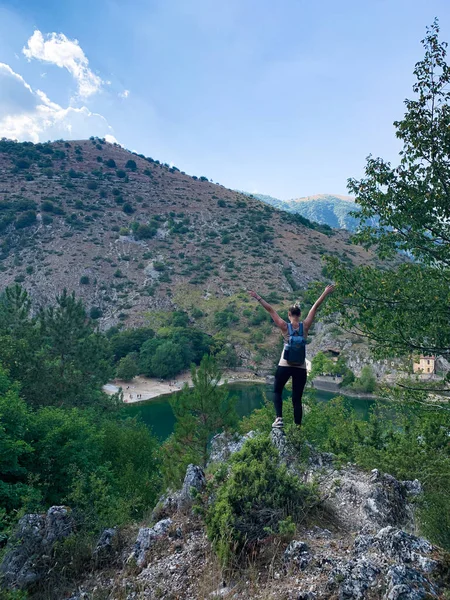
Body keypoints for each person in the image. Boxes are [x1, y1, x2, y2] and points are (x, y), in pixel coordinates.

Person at [249, 285, 335, 428]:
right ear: (299, 315)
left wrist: (257, 297)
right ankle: (298, 427)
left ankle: (279, 419)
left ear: (289, 315)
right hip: (300, 367)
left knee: (277, 390)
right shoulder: (305, 326)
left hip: (285, 365)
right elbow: (315, 307)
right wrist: (325, 292)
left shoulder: (284, 326)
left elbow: (270, 310)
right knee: (297, 399)